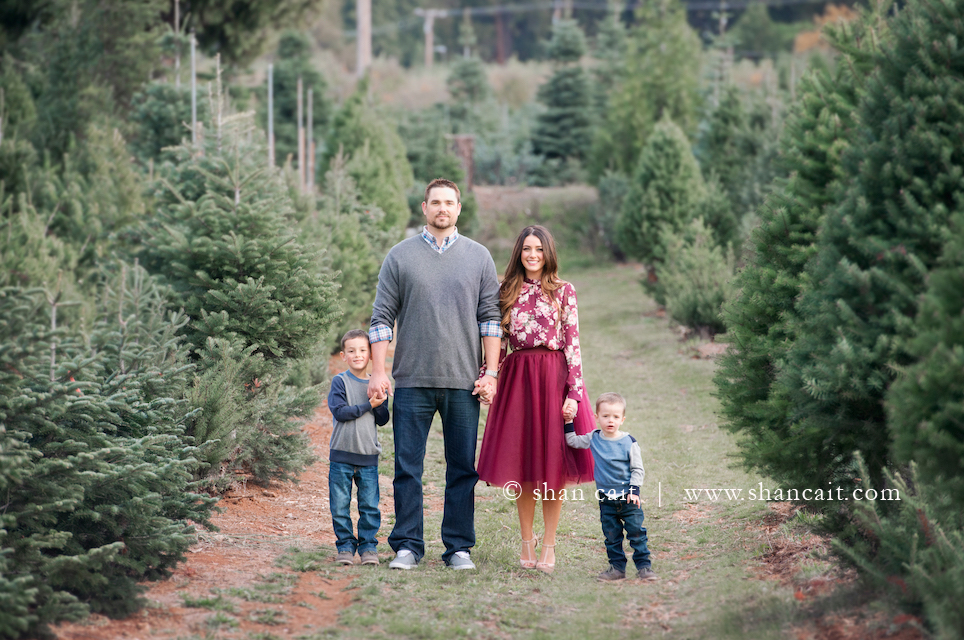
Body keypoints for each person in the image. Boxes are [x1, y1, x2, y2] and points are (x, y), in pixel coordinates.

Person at [368, 178, 501, 571]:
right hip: (411, 379)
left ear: (459, 209)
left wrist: (490, 373)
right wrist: (379, 371)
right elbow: (381, 319)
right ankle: (407, 545)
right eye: (435, 202)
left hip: (463, 382)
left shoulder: (479, 257)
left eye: (450, 202)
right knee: (407, 467)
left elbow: (490, 319)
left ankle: (458, 547)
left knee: (462, 468)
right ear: (423, 208)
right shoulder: (400, 256)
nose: (442, 208)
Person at [476, 224, 594, 574]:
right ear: (519, 252)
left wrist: (574, 392)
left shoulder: (563, 291)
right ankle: (526, 540)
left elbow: (573, 344)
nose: (532, 255)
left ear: (548, 253)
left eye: (539, 249)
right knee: (524, 465)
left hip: (553, 377)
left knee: (552, 468)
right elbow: (495, 340)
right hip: (519, 380)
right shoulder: (506, 291)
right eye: (527, 248)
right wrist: (488, 376)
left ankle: (549, 544)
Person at [564, 392, 656, 581]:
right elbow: (572, 441)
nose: (610, 421)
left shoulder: (629, 442)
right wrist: (568, 421)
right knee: (612, 536)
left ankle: (644, 567)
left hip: (629, 498)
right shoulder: (594, 438)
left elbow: (638, 469)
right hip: (606, 499)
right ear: (596, 418)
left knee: (637, 534)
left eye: (615, 417)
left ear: (622, 419)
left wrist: (634, 490)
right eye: (605, 416)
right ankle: (617, 569)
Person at [327, 330, 390, 566]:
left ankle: (368, 548)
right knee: (340, 506)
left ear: (371, 354)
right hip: (341, 456)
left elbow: (382, 419)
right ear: (343, 355)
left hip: (367, 456)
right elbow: (341, 413)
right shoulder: (339, 382)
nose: (357, 355)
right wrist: (367, 405)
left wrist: (379, 402)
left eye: (363, 350)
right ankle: (344, 546)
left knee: (369, 507)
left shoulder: (377, 382)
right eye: (351, 351)